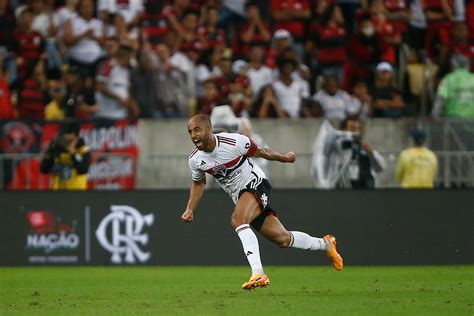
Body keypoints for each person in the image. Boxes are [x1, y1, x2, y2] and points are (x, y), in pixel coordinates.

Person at [181, 114, 343, 290]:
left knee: (238, 220)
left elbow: (262, 152)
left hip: (256, 183)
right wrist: (190, 208)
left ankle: (258, 273)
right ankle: (326, 244)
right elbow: (199, 182)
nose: (193, 135)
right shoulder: (195, 159)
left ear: (209, 130)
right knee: (283, 239)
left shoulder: (234, 142)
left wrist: (284, 158)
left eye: (197, 129)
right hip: (241, 197)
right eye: (190, 131)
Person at [40, 121, 91, 190]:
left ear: (76, 136)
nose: (63, 138)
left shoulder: (83, 149)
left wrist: (73, 153)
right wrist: (51, 153)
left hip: (77, 191)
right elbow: (44, 169)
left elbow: (83, 169)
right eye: (62, 134)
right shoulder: (55, 147)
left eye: (67, 134)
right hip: (57, 192)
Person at [432, 54, 474, 118]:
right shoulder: (473, 78)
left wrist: (435, 116)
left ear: (452, 64)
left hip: (452, 120)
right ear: (468, 64)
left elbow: (440, 100)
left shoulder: (448, 79)